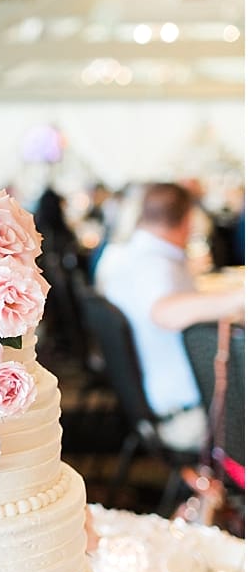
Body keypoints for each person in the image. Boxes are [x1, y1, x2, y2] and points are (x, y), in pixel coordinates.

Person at [95, 182, 245, 450]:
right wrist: (239, 297)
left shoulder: (121, 255)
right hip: (186, 418)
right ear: (189, 218)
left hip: (147, 406)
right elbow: (164, 312)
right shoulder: (156, 264)